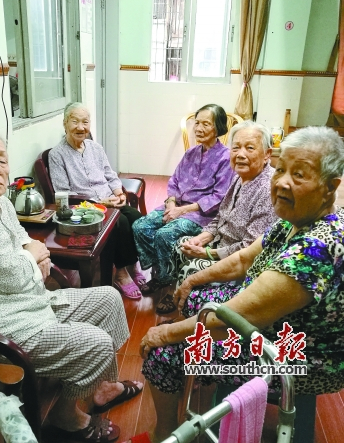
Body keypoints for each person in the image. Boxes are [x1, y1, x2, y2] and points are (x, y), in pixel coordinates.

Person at [139, 126, 344, 442]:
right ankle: (206, 384)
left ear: (330, 187)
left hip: (297, 353)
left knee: (163, 353)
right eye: (281, 170)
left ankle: (164, 433)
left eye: (299, 175)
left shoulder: (316, 248)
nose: (282, 182)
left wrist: (165, 333)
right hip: (268, 320)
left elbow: (235, 317)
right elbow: (243, 260)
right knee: (195, 298)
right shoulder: (294, 220)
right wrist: (192, 279)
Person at [0, 128, 143, 441]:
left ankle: (101, 388)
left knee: (108, 299)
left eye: (1, 160)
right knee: (96, 343)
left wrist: (30, 256)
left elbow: (25, 243)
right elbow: (13, 276)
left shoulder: (0, 202)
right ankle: (66, 416)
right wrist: (31, 259)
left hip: (26, 300)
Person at [156, 121, 278, 315]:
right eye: (235, 148)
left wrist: (208, 254)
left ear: (267, 154)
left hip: (239, 261)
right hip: (220, 242)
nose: (240, 154)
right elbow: (220, 216)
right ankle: (177, 295)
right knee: (181, 246)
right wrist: (201, 238)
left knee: (192, 268)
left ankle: (188, 319)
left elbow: (248, 249)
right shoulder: (239, 176)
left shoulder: (268, 189)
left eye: (250, 148)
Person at [132, 104, 235, 295]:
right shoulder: (190, 153)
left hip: (201, 215)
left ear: (218, 128)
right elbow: (174, 180)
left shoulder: (226, 158)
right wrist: (171, 203)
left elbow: (219, 197)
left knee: (164, 235)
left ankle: (165, 282)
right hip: (177, 205)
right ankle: (161, 270)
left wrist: (182, 211)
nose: (198, 128)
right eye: (197, 123)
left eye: (206, 124)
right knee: (140, 226)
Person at [49, 102, 144, 300]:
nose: (80, 127)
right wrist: (99, 202)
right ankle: (121, 273)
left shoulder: (96, 148)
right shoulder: (57, 155)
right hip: (85, 207)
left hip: (109, 199)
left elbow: (110, 174)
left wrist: (119, 194)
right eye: (75, 121)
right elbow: (63, 192)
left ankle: (132, 263)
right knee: (120, 222)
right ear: (65, 123)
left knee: (136, 217)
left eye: (85, 122)